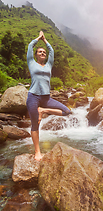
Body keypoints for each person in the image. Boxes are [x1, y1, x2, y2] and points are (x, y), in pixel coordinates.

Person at [26, 31, 72, 161]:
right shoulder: (31, 63)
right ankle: (37, 151)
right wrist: (38, 38)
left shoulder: (49, 65)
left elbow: (51, 50)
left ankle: (43, 110)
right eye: (40, 52)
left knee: (67, 111)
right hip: (33, 97)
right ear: (35, 55)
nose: (42, 53)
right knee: (35, 126)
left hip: (46, 98)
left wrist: (45, 41)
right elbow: (30, 46)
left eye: (44, 52)